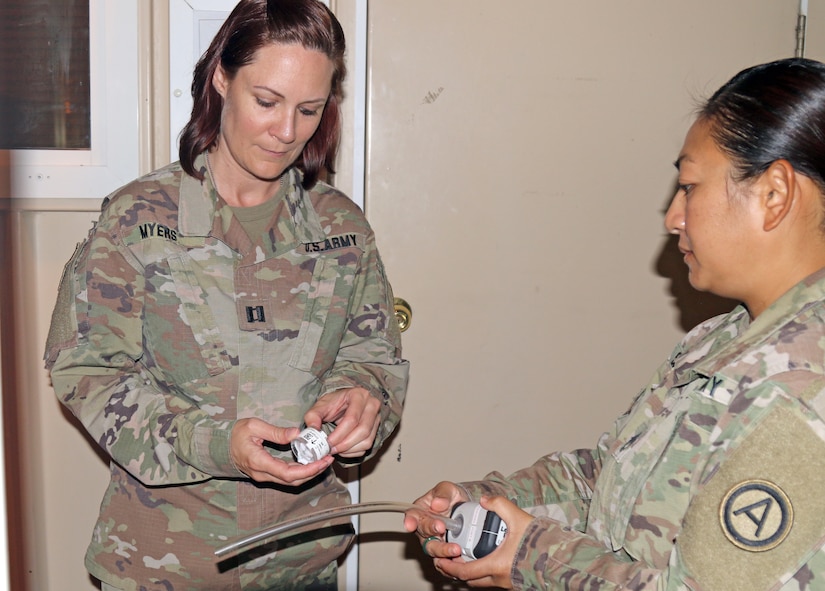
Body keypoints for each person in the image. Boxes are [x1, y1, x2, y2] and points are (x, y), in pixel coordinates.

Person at [404, 57, 825, 590]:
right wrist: (488, 503)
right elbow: (609, 478)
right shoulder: (724, 340)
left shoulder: (801, 392)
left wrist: (529, 556)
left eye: (690, 187)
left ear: (774, 195)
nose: (673, 216)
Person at [43, 1, 408, 589]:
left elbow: (375, 358)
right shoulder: (138, 220)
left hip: (303, 563)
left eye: (309, 109)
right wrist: (214, 444)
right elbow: (86, 373)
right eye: (267, 101)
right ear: (221, 78)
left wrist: (365, 400)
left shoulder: (342, 228)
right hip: (168, 566)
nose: (287, 131)